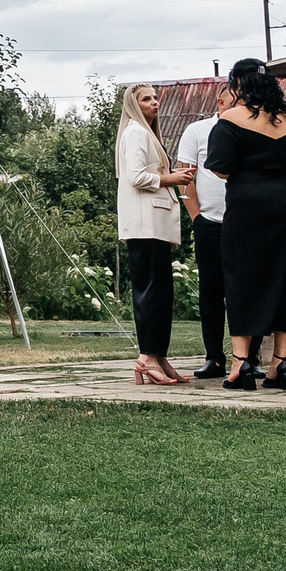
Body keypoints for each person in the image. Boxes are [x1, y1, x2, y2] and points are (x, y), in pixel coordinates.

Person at [205, 58, 286, 391]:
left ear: (238, 85)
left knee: (242, 276)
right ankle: (280, 364)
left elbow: (221, 169)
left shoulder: (229, 120)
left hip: (247, 203)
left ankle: (241, 364)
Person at [116, 84, 194, 386]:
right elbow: (135, 176)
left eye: (155, 97)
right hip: (144, 224)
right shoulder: (135, 132)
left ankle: (159, 355)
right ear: (134, 105)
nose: (155, 102)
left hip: (155, 225)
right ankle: (147, 357)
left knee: (161, 293)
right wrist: (170, 178)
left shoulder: (146, 132)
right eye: (147, 99)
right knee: (150, 292)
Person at [172, 85, 232, 378]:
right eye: (238, 97)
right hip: (209, 222)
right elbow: (185, 178)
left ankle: (250, 357)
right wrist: (196, 217)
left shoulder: (250, 129)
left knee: (245, 290)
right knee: (211, 292)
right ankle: (214, 358)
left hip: (244, 223)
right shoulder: (197, 130)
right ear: (221, 100)